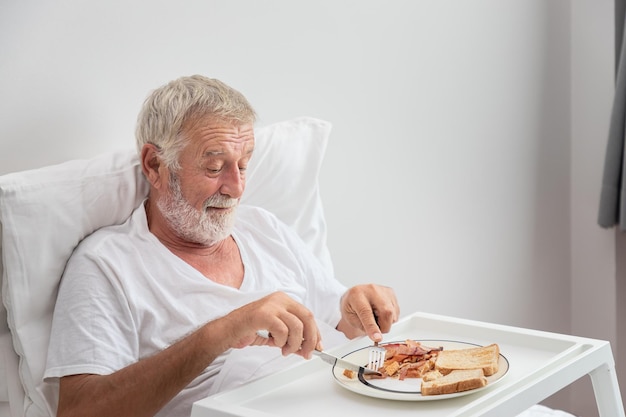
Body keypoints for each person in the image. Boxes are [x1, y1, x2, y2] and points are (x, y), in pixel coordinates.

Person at [44, 75, 399, 417]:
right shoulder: (107, 264)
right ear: (155, 165)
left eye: (243, 165)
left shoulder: (266, 229)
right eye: (214, 168)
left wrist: (360, 311)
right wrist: (221, 332)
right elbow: (79, 411)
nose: (237, 187)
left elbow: (345, 329)